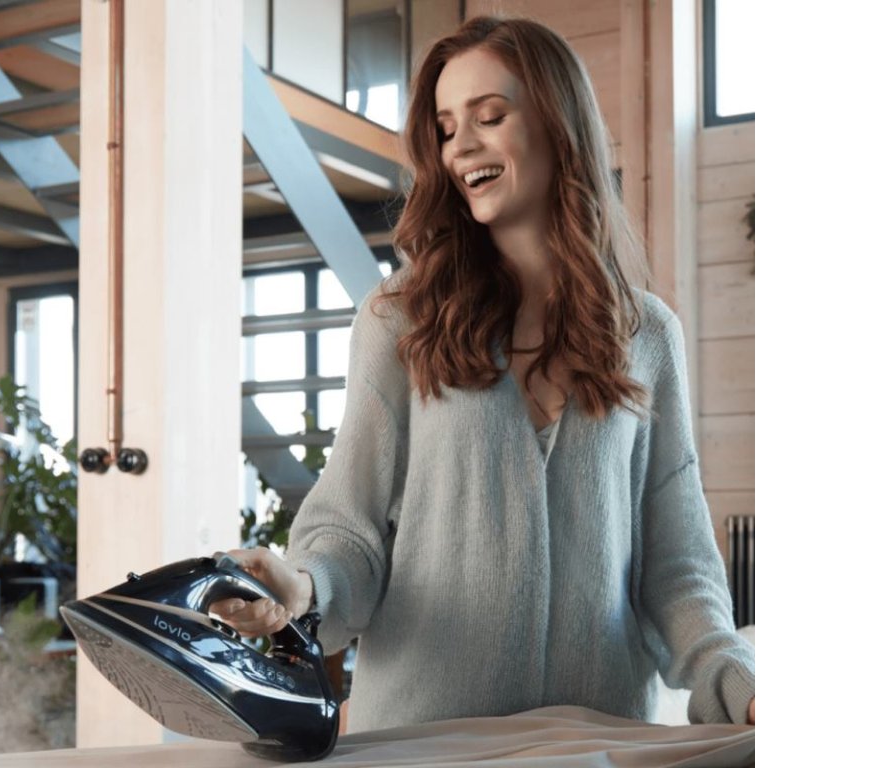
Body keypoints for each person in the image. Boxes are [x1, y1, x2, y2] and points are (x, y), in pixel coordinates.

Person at [212, 15, 755, 735]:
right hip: (423, 741)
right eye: (445, 128)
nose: (461, 145)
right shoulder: (399, 320)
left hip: (593, 744)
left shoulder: (647, 334)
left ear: (558, 124)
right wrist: (303, 585)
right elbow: (349, 530)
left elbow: (678, 566)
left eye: (490, 116)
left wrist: (740, 685)